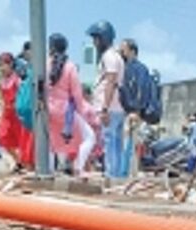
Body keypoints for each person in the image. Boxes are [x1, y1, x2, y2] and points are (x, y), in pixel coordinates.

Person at [47, 33, 96, 177]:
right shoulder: (70, 66)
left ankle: (48, 171)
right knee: (90, 137)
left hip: (49, 109)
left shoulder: (44, 64)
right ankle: (78, 167)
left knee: (51, 142)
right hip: (65, 111)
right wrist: (81, 110)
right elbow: (76, 93)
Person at [87, 20, 126, 179]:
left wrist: (104, 108)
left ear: (103, 38)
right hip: (117, 107)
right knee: (116, 144)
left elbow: (111, 82)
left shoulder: (109, 57)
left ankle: (112, 176)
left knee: (110, 144)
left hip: (109, 108)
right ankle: (116, 176)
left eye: (96, 38)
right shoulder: (117, 57)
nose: (94, 43)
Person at [119, 38, 150, 177]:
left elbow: (141, 90)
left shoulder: (138, 69)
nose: (121, 52)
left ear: (132, 51)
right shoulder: (128, 68)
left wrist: (137, 110)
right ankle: (127, 174)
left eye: (123, 50)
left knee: (129, 146)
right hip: (128, 112)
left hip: (132, 112)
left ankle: (128, 175)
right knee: (127, 146)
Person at [0, 52, 30, 169]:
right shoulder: (1, 82)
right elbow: (2, 98)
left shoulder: (17, 79)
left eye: (3, 65)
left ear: (10, 64)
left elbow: (23, 96)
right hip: (7, 113)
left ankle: (23, 164)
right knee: (2, 137)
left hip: (18, 114)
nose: (1, 68)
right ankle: (18, 161)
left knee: (21, 140)